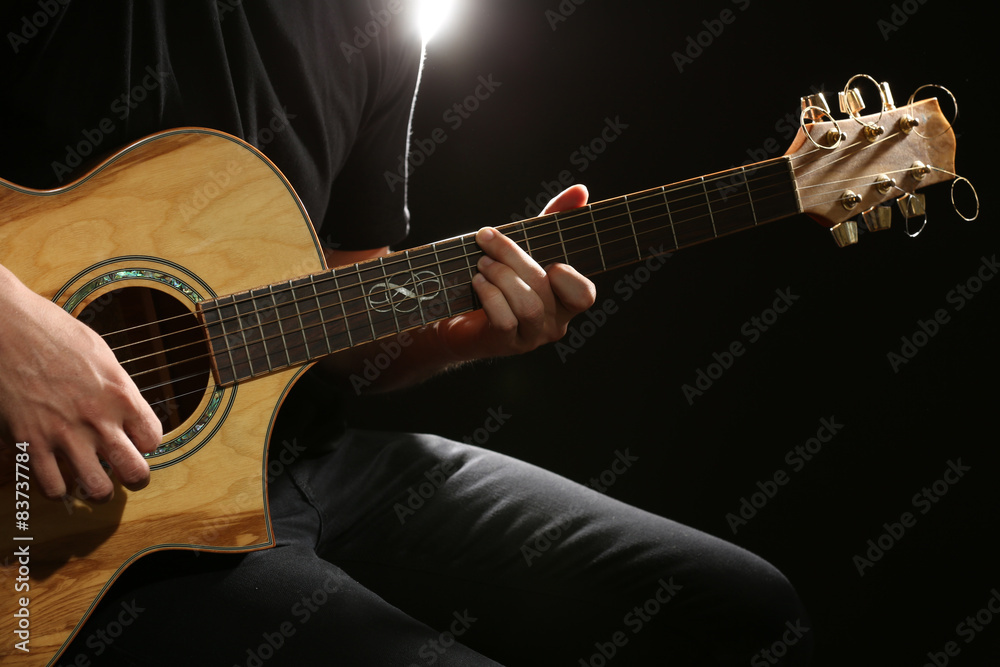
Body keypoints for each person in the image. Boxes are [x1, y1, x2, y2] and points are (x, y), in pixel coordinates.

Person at [0, 2, 813, 664]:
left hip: (308, 459)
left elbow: (337, 311)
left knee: (740, 609)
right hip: (86, 519)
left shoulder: (378, 24)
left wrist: (464, 333)